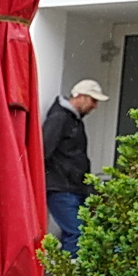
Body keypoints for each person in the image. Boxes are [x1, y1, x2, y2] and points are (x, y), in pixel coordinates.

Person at [43, 79, 108, 255]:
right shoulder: (61, 118)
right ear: (81, 96)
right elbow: (43, 150)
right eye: (93, 100)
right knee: (76, 234)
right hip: (62, 187)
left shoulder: (70, 119)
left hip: (70, 187)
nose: (95, 106)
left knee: (76, 234)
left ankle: (68, 275)